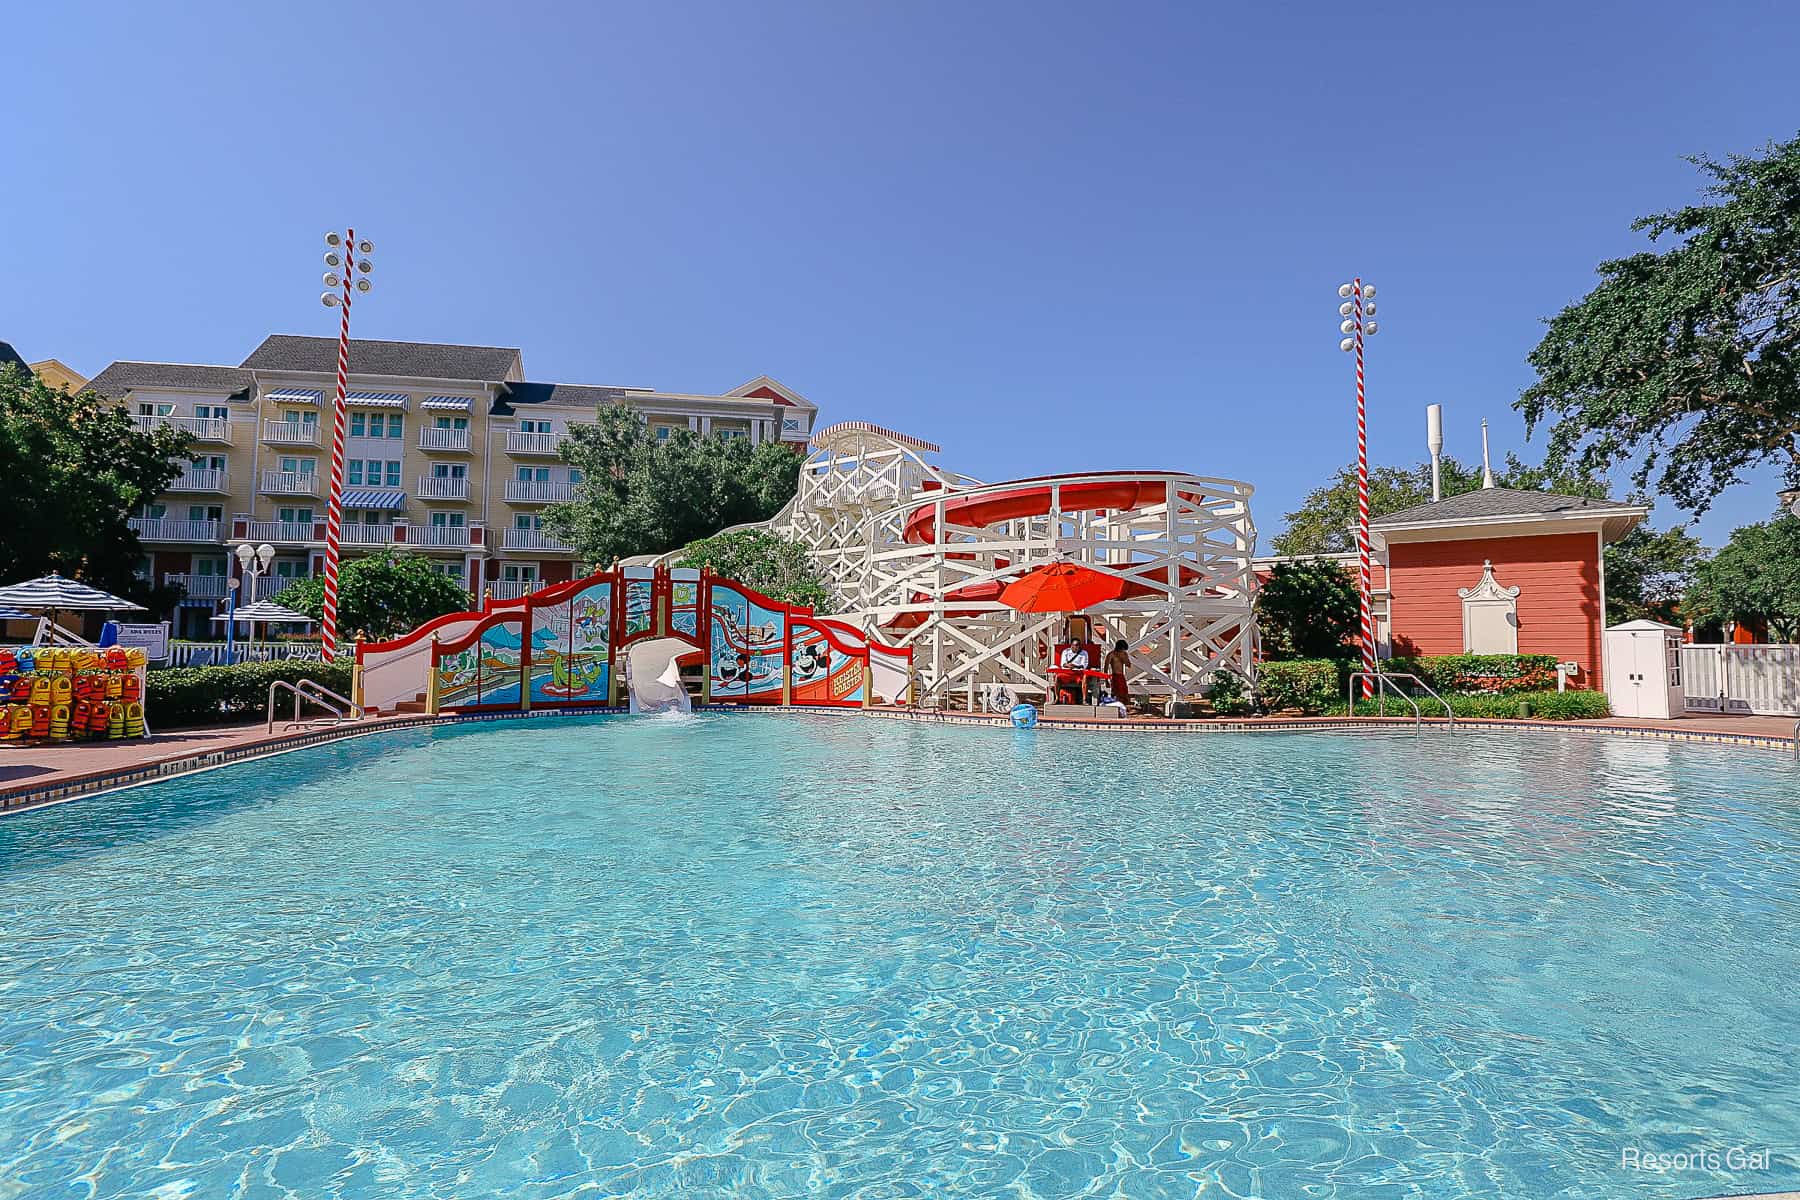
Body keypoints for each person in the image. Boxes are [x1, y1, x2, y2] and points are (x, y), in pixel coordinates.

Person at [1104, 639, 1132, 708]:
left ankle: (1123, 707)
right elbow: (1106, 668)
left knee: (1124, 694)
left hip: (1121, 676)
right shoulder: (1111, 654)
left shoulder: (1124, 654)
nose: (1123, 651)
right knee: (1117, 694)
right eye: (1122, 649)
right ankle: (1117, 707)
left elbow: (1129, 665)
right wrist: (1106, 680)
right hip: (1115, 676)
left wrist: (1124, 658)